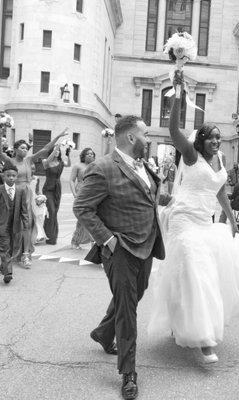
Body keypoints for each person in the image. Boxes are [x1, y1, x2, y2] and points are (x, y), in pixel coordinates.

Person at [147, 75, 239, 363]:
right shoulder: (190, 156)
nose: (216, 141)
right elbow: (173, 129)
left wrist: (231, 219)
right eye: (211, 137)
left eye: (218, 137)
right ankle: (205, 341)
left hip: (204, 221)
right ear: (200, 140)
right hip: (182, 220)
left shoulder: (222, 161)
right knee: (196, 271)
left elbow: (220, 191)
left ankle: (183, 322)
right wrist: (178, 94)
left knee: (196, 275)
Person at [73, 115, 171, 400]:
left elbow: (147, 197)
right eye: (145, 134)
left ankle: (103, 332)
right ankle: (128, 373)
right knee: (128, 309)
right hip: (121, 249)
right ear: (131, 138)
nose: (149, 139)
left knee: (137, 293)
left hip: (147, 244)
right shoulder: (102, 167)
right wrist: (108, 240)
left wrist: (167, 201)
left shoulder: (144, 166)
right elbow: (82, 208)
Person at [0, 128, 69, 266]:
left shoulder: (29, 159)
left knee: (27, 224)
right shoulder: (10, 161)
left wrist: (58, 135)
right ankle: (13, 252)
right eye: (22, 148)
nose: (25, 150)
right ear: (16, 149)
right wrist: (0, 136)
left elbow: (46, 149)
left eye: (26, 148)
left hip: (27, 195)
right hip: (13, 194)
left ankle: (26, 254)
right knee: (13, 225)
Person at [0, 164, 29, 284]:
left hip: (15, 225)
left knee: (12, 249)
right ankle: (8, 273)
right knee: (5, 248)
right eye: (8, 175)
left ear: (17, 177)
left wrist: (26, 224)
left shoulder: (21, 191)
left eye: (13, 176)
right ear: (3, 176)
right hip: (2, 226)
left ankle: (3, 266)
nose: (11, 178)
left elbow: (24, 209)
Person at [42, 141, 71, 245]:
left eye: (59, 151)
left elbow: (69, 164)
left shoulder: (61, 163)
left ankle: (50, 236)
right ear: (52, 152)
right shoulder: (46, 162)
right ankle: (50, 237)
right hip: (48, 189)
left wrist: (68, 154)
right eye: (56, 151)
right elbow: (47, 161)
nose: (58, 152)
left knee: (54, 213)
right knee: (52, 211)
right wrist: (56, 147)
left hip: (57, 189)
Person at [69, 147, 95, 249]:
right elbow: (71, 180)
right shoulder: (78, 166)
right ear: (83, 155)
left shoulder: (95, 165)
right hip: (81, 192)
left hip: (93, 193)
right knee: (82, 218)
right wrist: (74, 194)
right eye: (88, 154)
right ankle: (78, 241)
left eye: (92, 154)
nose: (90, 155)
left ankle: (81, 240)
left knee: (91, 217)